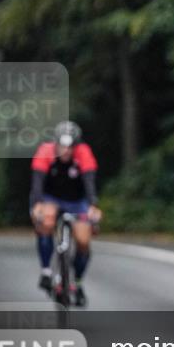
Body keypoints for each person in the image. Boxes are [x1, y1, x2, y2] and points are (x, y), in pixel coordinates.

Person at [30, 121, 102, 306]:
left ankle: (77, 282)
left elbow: (89, 182)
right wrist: (37, 205)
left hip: (77, 201)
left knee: (84, 240)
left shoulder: (84, 153)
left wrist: (93, 205)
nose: (66, 151)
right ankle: (46, 271)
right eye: (62, 146)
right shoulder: (45, 152)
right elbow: (37, 182)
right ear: (56, 143)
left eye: (70, 147)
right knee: (46, 221)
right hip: (51, 197)